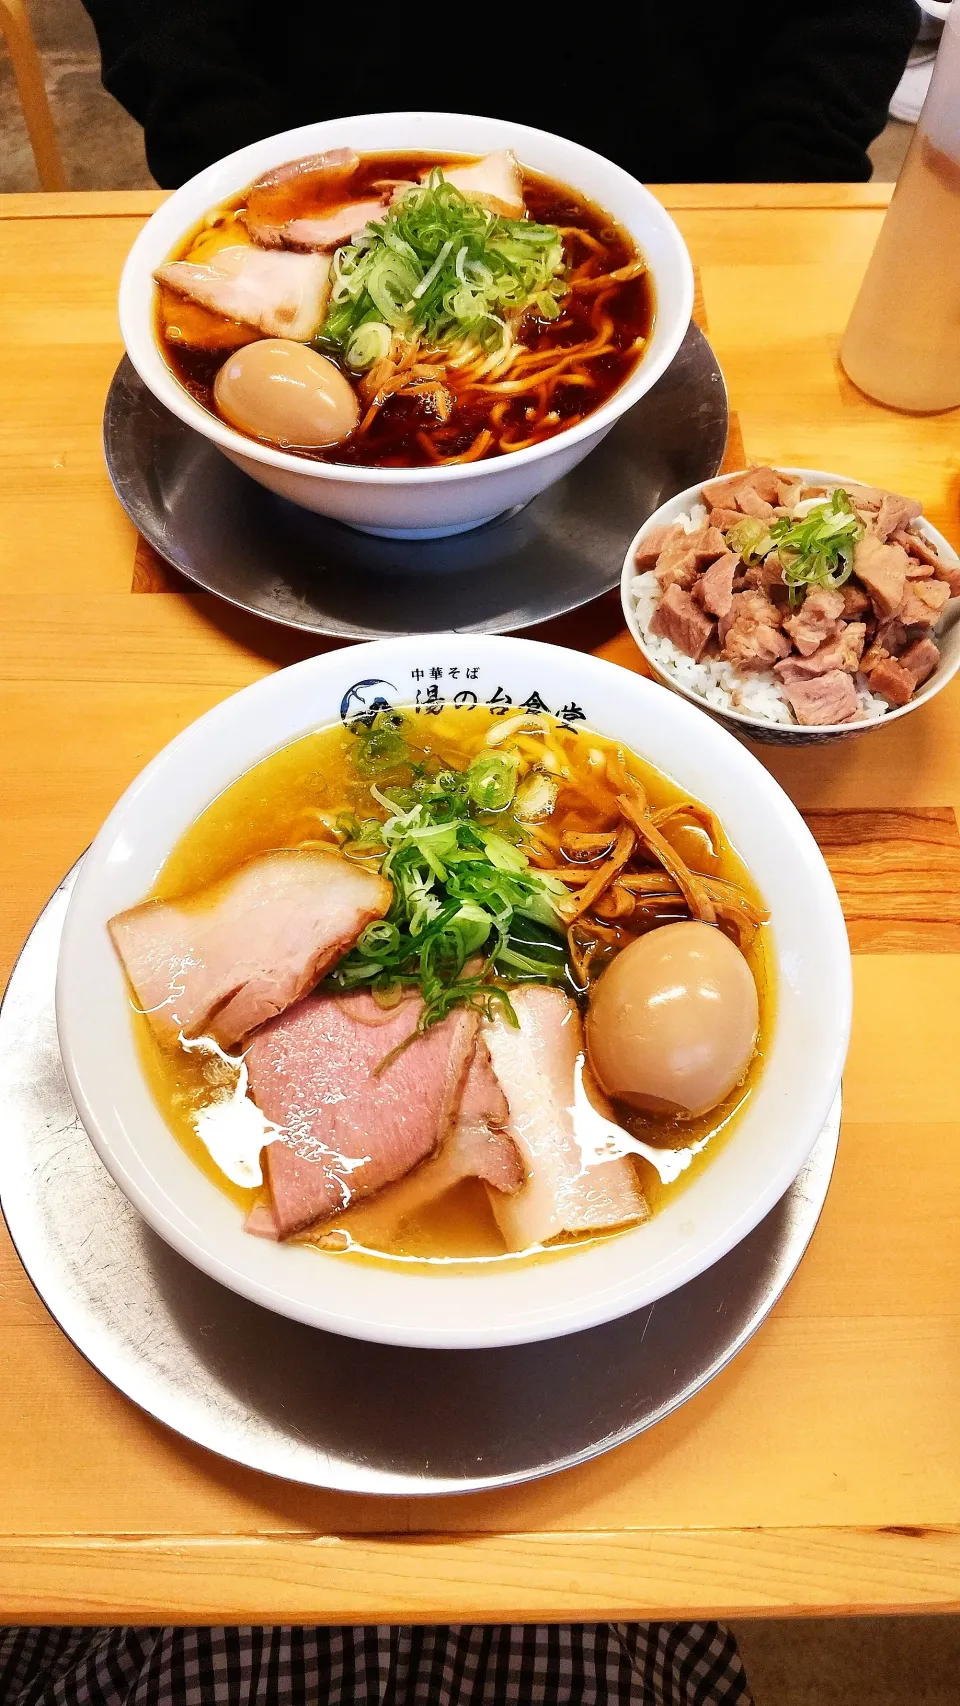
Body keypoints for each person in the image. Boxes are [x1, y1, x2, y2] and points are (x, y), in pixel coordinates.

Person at [81, 0, 917, 189]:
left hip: (701, 188)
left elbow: (843, 21)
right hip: (306, 177)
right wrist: (249, 174)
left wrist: (774, 203)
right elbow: (166, 25)